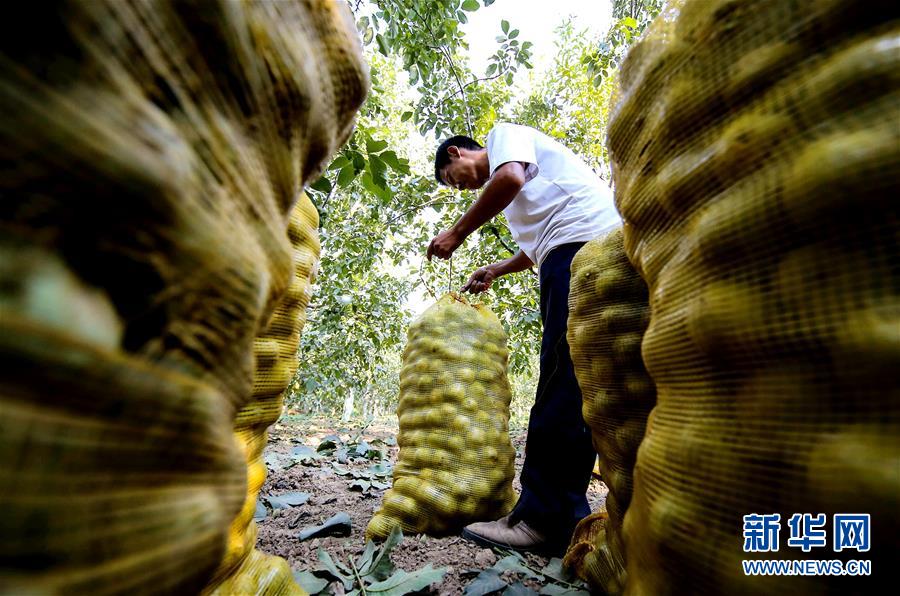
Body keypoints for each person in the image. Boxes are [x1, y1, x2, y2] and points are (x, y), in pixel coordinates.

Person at [428, 123, 622, 555]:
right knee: (581, 382)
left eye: (451, 179)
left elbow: (510, 178)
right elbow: (534, 250)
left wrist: (456, 233)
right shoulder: (523, 201)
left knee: (559, 379)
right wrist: (496, 268)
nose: (459, 189)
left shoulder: (503, 139)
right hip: (591, 247)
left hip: (579, 249)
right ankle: (569, 512)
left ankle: (541, 517)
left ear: (458, 154)